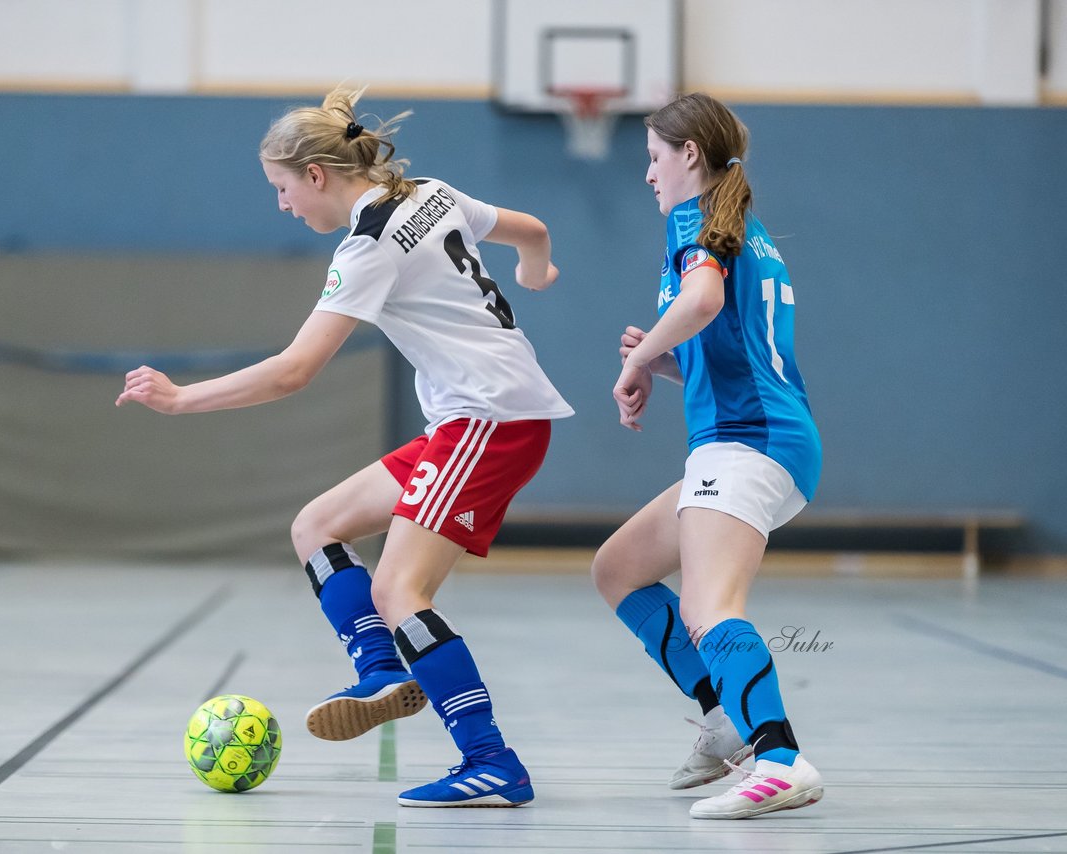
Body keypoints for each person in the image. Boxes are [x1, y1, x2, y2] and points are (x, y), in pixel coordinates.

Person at [116, 86, 573, 807]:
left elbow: (293, 371)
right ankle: (381, 670)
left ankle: (492, 761)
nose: (283, 205)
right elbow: (533, 228)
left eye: (282, 188)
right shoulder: (430, 192)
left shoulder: (367, 246)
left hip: (487, 420)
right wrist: (535, 270)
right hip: (482, 419)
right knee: (316, 526)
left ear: (317, 174)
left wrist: (180, 399)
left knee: (399, 590)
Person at [590, 92, 824, 820]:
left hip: (749, 441)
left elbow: (699, 305)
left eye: (655, 158)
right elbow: (726, 345)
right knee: (619, 569)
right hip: (757, 436)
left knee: (707, 606)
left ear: (688, 154)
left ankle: (780, 757)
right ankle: (724, 716)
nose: (650, 175)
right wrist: (662, 367)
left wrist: (637, 363)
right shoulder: (740, 228)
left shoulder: (695, 222)